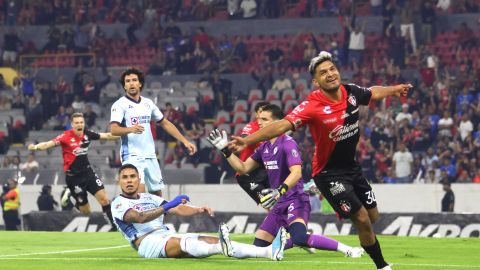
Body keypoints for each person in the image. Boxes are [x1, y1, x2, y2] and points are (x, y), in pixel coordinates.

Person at [229, 51, 413, 270]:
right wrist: (246, 141)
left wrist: (395, 90)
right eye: (323, 73)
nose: (330, 74)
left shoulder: (351, 92)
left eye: (332, 69)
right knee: (362, 219)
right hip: (327, 173)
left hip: (352, 169)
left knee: (373, 217)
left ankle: (343, 210)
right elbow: (281, 126)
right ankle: (382, 266)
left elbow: (372, 93)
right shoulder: (311, 105)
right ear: (316, 82)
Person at [208, 104, 364, 258]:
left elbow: (296, 173)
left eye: (264, 119)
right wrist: (225, 151)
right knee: (259, 249)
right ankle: (293, 237)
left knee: (299, 238)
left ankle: (348, 250)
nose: (259, 123)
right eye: (258, 119)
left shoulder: (288, 143)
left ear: (277, 123)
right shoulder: (264, 148)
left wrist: (279, 191)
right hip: (279, 204)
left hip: (296, 200)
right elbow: (242, 168)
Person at [112, 164, 287, 260]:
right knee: (184, 242)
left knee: (210, 240)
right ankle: (222, 248)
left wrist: (198, 209)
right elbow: (140, 218)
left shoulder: (148, 197)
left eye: (132, 176)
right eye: (125, 177)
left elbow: (178, 208)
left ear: (138, 179)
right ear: (119, 181)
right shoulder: (118, 203)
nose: (129, 181)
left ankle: (269, 252)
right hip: (146, 243)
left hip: (165, 235)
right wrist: (167, 205)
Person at [110, 68, 197, 196]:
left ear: (140, 83)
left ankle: (158, 217)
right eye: (127, 81)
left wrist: (185, 141)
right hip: (132, 156)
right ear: (124, 86)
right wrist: (130, 129)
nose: (131, 83)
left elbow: (165, 123)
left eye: (134, 80)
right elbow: (113, 130)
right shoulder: (119, 105)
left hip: (150, 155)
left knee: (157, 196)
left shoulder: (148, 103)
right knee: (139, 195)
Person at [28, 112, 119, 227]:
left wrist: (126, 133)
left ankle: (113, 226)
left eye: (81, 122)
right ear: (72, 124)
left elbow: (108, 136)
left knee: (104, 200)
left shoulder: (88, 134)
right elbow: (47, 144)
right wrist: (35, 147)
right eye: (76, 123)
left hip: (88, 173)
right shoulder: (65, 136)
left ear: (84, 123)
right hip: (74, 179)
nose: (79, 125)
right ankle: (72, 196)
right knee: (87, 212)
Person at [236, 101, 270, 204]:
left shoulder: (274, 129)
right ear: (256, 114)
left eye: (265, 111)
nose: (263, 114)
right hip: (249, 173)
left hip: (266, 169)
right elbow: (244, 138)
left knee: (276, 202)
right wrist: (243, 143)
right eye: (260, 112)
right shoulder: (251, 127)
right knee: (267, 203)